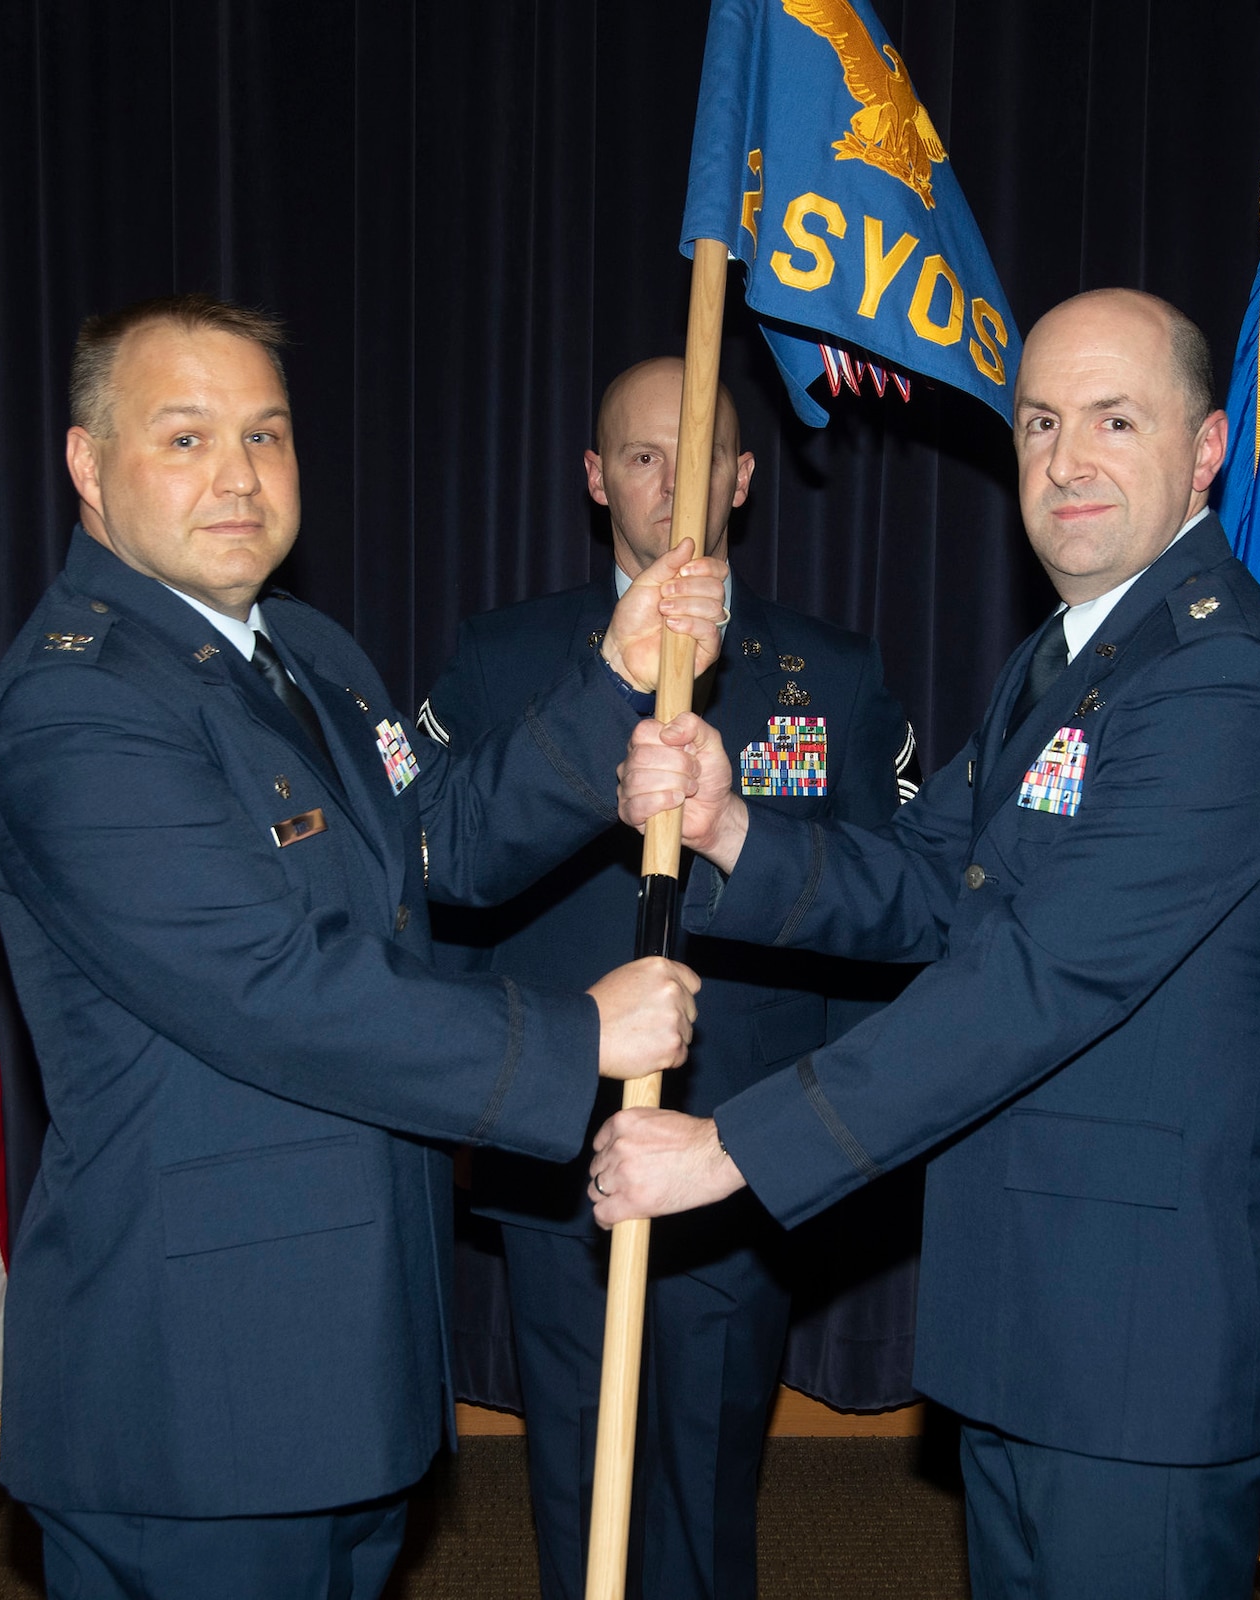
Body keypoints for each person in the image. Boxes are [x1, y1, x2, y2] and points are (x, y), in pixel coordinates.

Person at [0, 294, 728, 1600]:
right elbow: (271, 987)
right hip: (195, 1395)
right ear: (90, 467)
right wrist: (576, 1037)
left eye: (265, 436)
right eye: (188, 438)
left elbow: (429, 848)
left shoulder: (305, 654)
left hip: (344, 1356)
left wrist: (610, 678)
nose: (239, 476)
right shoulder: (77, 708)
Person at [595, 289, 1260, 1599]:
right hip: (1030, 1319)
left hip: (1147, 1349)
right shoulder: (1067, 662)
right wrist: (728, 830)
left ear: (1209, 448)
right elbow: (934, 878)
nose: (1067, 460)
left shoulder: (1222, 689)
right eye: (1041, 421)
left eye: (1117, 420)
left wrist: (731, 1150)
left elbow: (1039, 978)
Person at [420, 356, 921, 1600]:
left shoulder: (830, 671)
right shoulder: (500, 658)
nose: (668, 483)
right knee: (576, 1478)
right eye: (639, 454)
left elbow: (900, 893)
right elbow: (432, 876)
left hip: (733, 1133)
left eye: (695, 455)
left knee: (704, 1480)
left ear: (742, 479)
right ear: (595, 479)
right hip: (557, 1138)